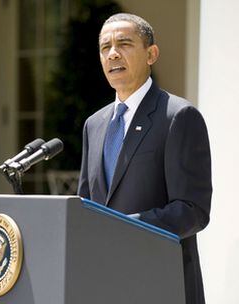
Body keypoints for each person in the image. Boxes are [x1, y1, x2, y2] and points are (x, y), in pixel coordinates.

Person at [77, 13, 211, 304]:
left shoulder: (178, 116)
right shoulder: (94, 124)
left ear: (151, 54)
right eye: (105, 47)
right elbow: (85, 206)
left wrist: (124, 227)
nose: (113, 53)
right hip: (103, 286)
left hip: (161, 284)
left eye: (124, 43)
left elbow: (192, 210)